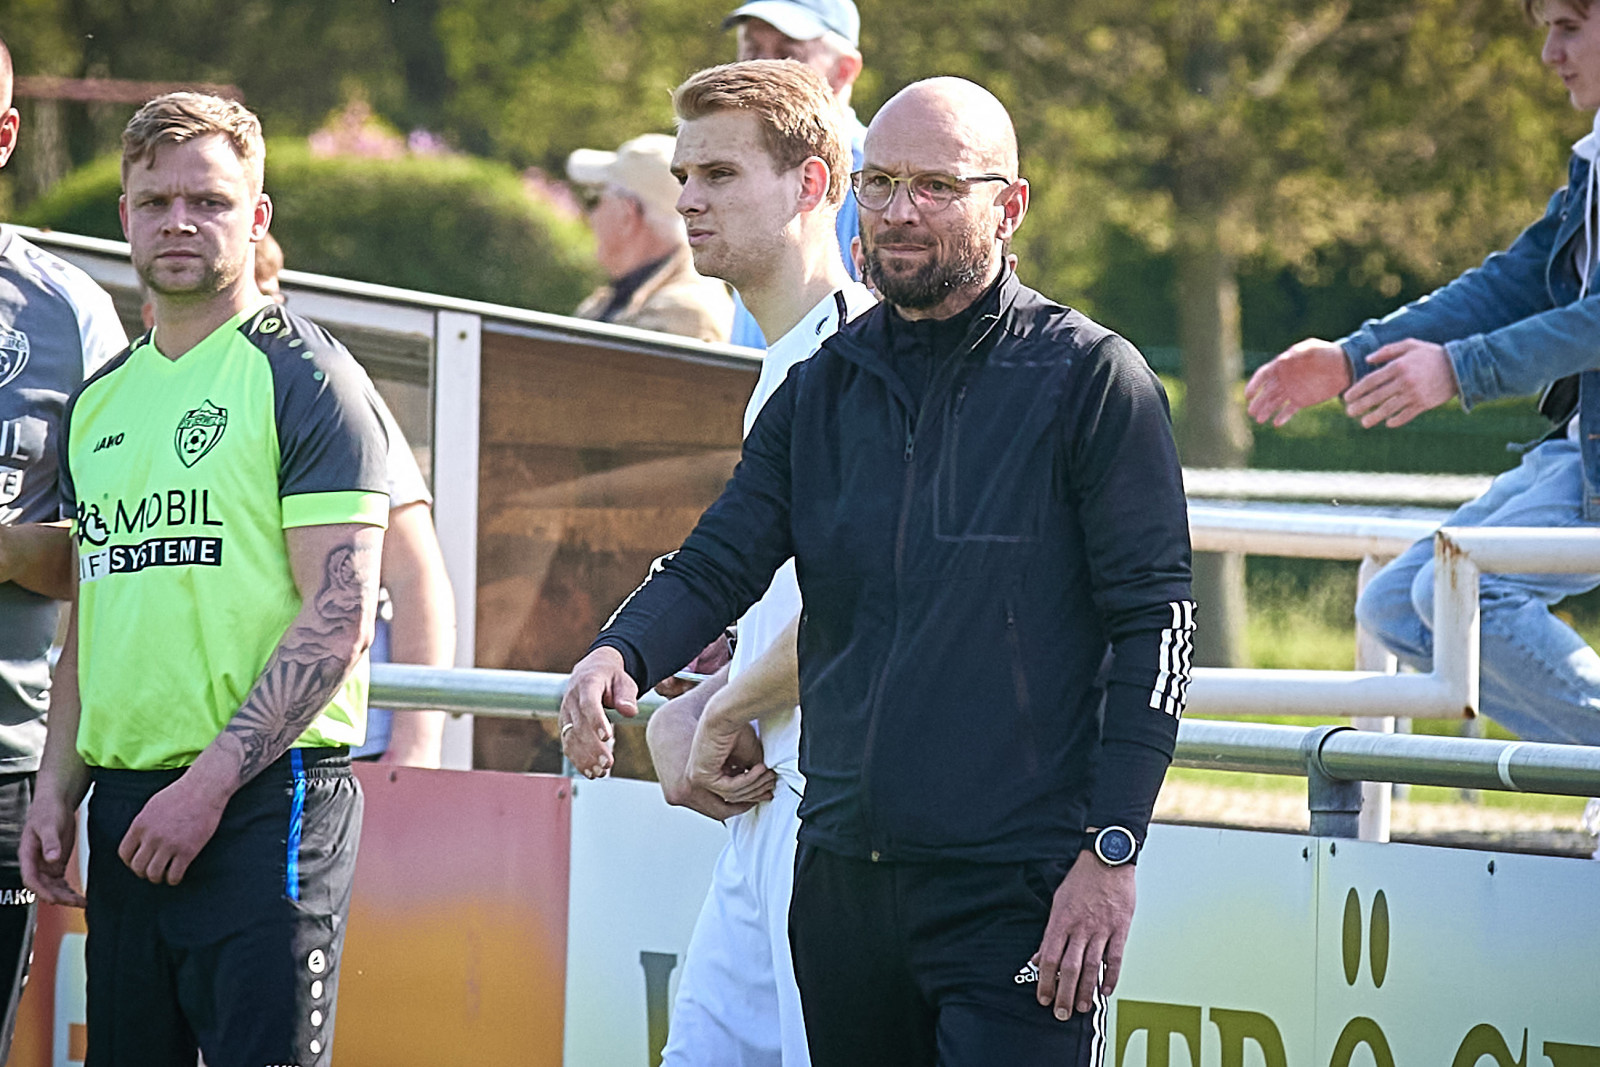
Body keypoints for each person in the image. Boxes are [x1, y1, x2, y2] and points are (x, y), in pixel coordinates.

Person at [561, 77, 1195, 1066]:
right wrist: (621, 650)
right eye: (883, 183)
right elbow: (720, 555)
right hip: (842, 880)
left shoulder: (1089, 378)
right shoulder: (822, 387)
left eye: (937, 187)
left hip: (1017, 896)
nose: (900, 211)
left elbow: (1156, 627)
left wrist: (1110, 849)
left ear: (1009, 204)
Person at [20, 92, 389, 1066]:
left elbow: (338, 616)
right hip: (129, 810)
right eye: (156, 201)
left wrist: (207, 786)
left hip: (265, 799)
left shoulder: (305, 376)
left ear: (257, 217)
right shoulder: (101, 404)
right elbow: (94, 610)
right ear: (125, 219)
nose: (180, 221)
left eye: (210, 201)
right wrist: (57, 785)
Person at [1245, 0, 1600, 758]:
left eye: (1569, 28)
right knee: (1398, 607)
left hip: (1587, 459)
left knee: (1483, 597)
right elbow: (1512, 284)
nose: (1549, 54)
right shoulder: (1594, 163)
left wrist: (1461, 369)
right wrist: (1350, 356)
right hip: (1580, 452)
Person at [633, 60, 875, 1066]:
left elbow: (857, 606)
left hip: (839, 817)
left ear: (813, 184)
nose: (686, 197)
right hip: (766, 807)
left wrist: (711, 709)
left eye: (720, 174)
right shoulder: (783, 361)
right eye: (683, 173)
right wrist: (701, 698)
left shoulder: (856, 360)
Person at [0, 34, 128, 1060]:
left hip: (3, 762)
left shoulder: (70, 314)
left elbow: (115, 554)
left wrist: (2, 547)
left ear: (5, 136)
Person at [251, 234, 457, 767]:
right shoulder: (141, 393)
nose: (262, 312)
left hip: (335, 747)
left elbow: (416, 576)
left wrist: (415, 745)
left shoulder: (327, 392)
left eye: (270, 292)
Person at [722, 0, 867, 349]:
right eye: (752, 51)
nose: (763, 72)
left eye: (789, 56)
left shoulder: (875, 176)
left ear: (844, 71)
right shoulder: (743, 166)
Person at [567, 133, 732, 344]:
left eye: (594, 199)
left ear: (627, 213)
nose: (589, 215)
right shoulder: (624, 296)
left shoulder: (682, 314)